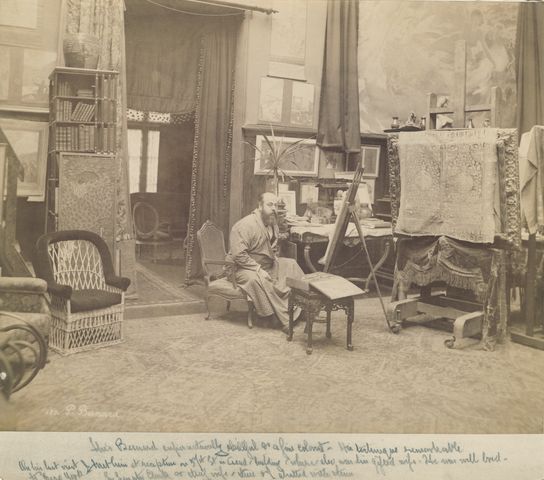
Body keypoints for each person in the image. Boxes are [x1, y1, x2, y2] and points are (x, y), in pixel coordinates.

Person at [225, 192, 303, 333]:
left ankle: (300, 308)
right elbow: (239, 255)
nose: (274, 208)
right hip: (240, 268)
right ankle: (281, 318)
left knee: (291, 264)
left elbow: (271, 248)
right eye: (269, 204)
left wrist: (275, 260)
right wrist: (258, 269)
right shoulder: (245, 225)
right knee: (258, 279)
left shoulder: (272, 223)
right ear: (260, 206)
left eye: (275, 205)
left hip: (266, 264)